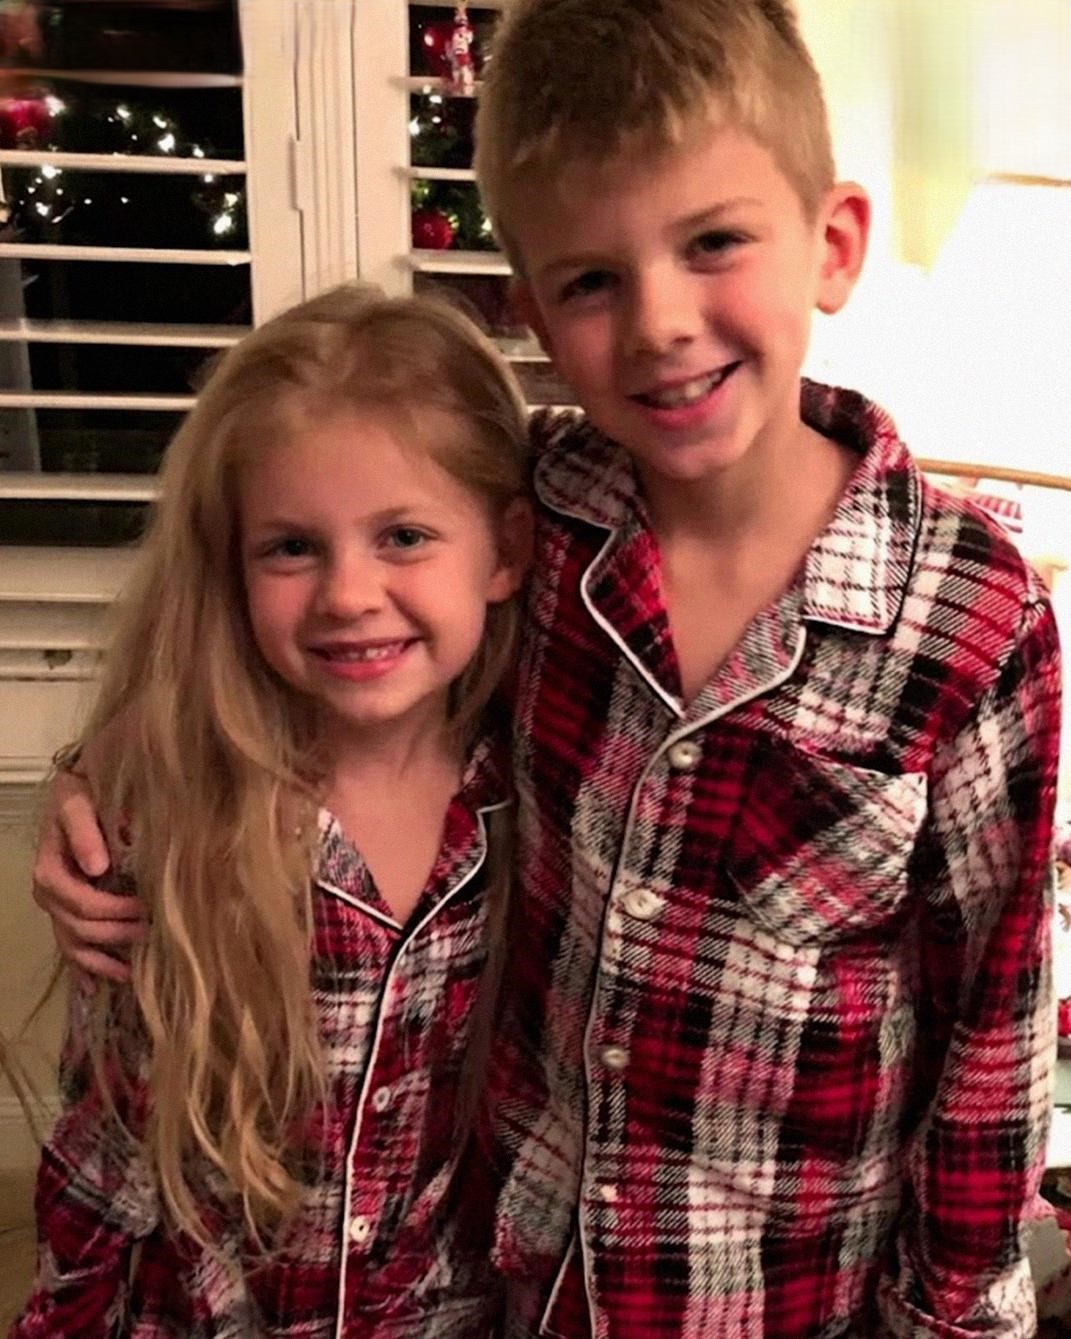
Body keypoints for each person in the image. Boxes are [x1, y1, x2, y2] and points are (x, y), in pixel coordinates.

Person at [30, 0, 1062, 1335]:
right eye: (590, 281)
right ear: (530, 312)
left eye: (713, 242)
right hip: (513, 1287)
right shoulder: (541, 516)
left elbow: (988, 1045)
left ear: (832, 242)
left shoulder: (970, 620)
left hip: (779, 1304)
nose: (659, 323)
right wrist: (106, 782)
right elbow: (316, 608)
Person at [13, 283, 531, 1338]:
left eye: (403, 535)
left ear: (506, 551)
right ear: (233, 566)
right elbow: (107, 1156)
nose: (347, 593)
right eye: (291, 547)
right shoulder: (169, 821)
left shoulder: (543, 787)